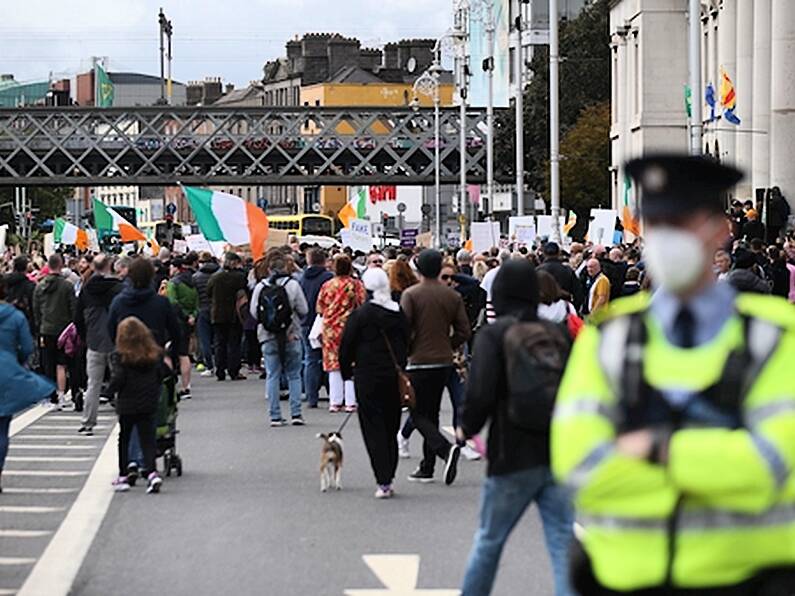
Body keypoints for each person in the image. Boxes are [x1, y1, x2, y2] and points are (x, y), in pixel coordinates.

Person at [552, 154, 795, 594]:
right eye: (657, 225)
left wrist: (653, 447)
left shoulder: (778, 335)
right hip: (625, 579)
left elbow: (769, 467)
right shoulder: (609, 338)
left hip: (750, 579)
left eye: (682, 223)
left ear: (720, 231)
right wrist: (717, 459)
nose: (667, 238)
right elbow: (580, 468)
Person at [460, 259, 574, 596]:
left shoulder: (494, 335)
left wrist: (467, 426)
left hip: (511, 452)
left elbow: (481, 391)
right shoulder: (556, 333)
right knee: (562, 541)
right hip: (557, 452)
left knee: (489, 540)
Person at [400, 249, 470, 485]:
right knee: (431, 413)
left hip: (419, 360)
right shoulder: (452, 296)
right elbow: (464, 330)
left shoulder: (411, 294)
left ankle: (443, 450)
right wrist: (448, 344)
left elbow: (404, 329)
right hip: (444, 360)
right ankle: (426, 466)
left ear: (418, 269)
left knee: (417, 412)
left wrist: (407, 350)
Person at [339, 268, 409, 498]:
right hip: (393, 375)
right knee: (391, 425)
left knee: (372, 427)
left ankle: (383, 479)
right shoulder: (398, 313)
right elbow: (408, 340)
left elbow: (346, 346)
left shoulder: (360, 315)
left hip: (367, 376)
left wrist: (346, 372)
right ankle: (390, 471)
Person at [0, 276, 55, 492]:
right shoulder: (15, 316)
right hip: (6, 372)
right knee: (2, 427)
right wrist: (15, 358)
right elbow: (26, 347)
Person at [107, 316, 169, 494]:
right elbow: (163, 374)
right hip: (148, 402)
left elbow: (118, 379)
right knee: (147, 439)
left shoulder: (121, 356)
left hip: (127, 403)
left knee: (124, 438)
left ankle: (123, 475)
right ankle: (151, 473)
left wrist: (108, 392)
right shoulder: (153, 355)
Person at [251, 254, 308, 427]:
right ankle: (296, 413)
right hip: (291, 334)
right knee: (294, 375)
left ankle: (275, 415)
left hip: (267, 335)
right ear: (286, 268)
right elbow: (304, 309)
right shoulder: (293, 285)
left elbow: (254, 312)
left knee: (272, 374)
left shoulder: (261, 287)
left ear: (269, 269)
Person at [74, 254, 122, 436]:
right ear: (111, 265)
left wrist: (85, 337)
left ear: (93, 267)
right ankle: (123, 417)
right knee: (120, 379)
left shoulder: (87, 290)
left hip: (94, 340)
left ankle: (88, 422)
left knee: (93, 383)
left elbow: (77, 317)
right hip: (116, 339)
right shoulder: (118, 288)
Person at [317, 255, 366, 413]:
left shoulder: (327, 285)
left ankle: (335, 401)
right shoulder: (356, 285)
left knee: (333, 365)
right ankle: (351, 401)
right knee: (351, 363)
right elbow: (362, 303)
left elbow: (319, 307)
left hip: (330, 328)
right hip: (351, 326)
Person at [108, 257, 181, 351]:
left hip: (127, 354)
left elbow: (111, 329)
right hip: (154, 352)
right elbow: (175, 330)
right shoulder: (161, 302)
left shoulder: (118, 302)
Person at [33, 253, 76, 409]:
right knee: (61, 364)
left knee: (47, 363)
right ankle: (61, 394)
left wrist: (39, 327)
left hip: (45, 329)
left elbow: (36, 310)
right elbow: (73, 309)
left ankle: (49, 397)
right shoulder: (67, 286)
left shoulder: (39, 286)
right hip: (63, 330)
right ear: (61, 265)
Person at [299, 248, 333, 408]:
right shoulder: (328, 278)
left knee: (310, 359)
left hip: (306, 322)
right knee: (328, 358)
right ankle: (333, 393)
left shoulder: (301, 278)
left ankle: (311, 396)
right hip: (324, 321)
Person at [206, 252, 247, 381]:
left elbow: (208, 292)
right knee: (234, 343)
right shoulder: (239, 277)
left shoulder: (215, 278)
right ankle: (234, 370)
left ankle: (220, 370)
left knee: (219, 343)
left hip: (218, 313)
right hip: (234, 314)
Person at [166, 255, 199, 399]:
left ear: (176, 268)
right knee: (183, 354)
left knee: (168, 353)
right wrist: (192, 316)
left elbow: (172, 303)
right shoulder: (192, 282)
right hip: (188, 322)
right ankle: (187, 386)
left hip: (175, 322)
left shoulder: (173, 283)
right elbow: (197, 303)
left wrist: (184, 316)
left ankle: (170, 386)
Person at [193, 252, 219, 376]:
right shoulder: (218, 275)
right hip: (216, 308)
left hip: (202, 309)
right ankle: (220, 364)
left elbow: (195, 295)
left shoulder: (196, 277)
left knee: (205, 340)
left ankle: (209, 366)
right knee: (218, 338)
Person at [538, 242, 584, 312]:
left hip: (542, 311)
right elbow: (578, 294)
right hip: (564, 311)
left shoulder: (538, 271)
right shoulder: (567, 270)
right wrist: (573, 308)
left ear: (544, 253)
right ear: (559, 253)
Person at [5, 256, 35, 332]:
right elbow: (33, 306)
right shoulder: (30, 285)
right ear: (26, 268)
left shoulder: (4, 281)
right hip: (24, 320)